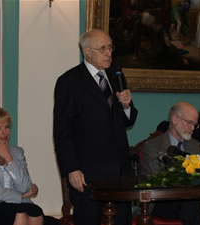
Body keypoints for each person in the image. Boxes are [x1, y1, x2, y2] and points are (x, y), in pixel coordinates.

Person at [53, 29, 138, 225]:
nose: (109, 52)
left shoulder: (117, 75)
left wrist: (126, 106)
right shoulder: (69, 82)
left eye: (110, 47)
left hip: (119, 170)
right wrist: (72, 169)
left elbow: (127, 120)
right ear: (87, 52)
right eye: (103, 48)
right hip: (88, 170)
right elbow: (62, 132)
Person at [141, 102, 200, 225]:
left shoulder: (195, 146)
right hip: (163, 202)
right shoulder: (153, 146)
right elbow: (157, 182)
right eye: (190, 123)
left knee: (198, 203)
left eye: (195, 124)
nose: (193, 128)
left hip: (190, 202)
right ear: (175, 119)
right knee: (196, 205)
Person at [0, 103, 44, 225]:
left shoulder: (17, 152)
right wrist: (20, 196)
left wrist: (9, 159)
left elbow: (26, 186)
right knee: (19, 214)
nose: (4, 133)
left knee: (36, 212)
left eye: (7, 127)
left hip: (20, 203)